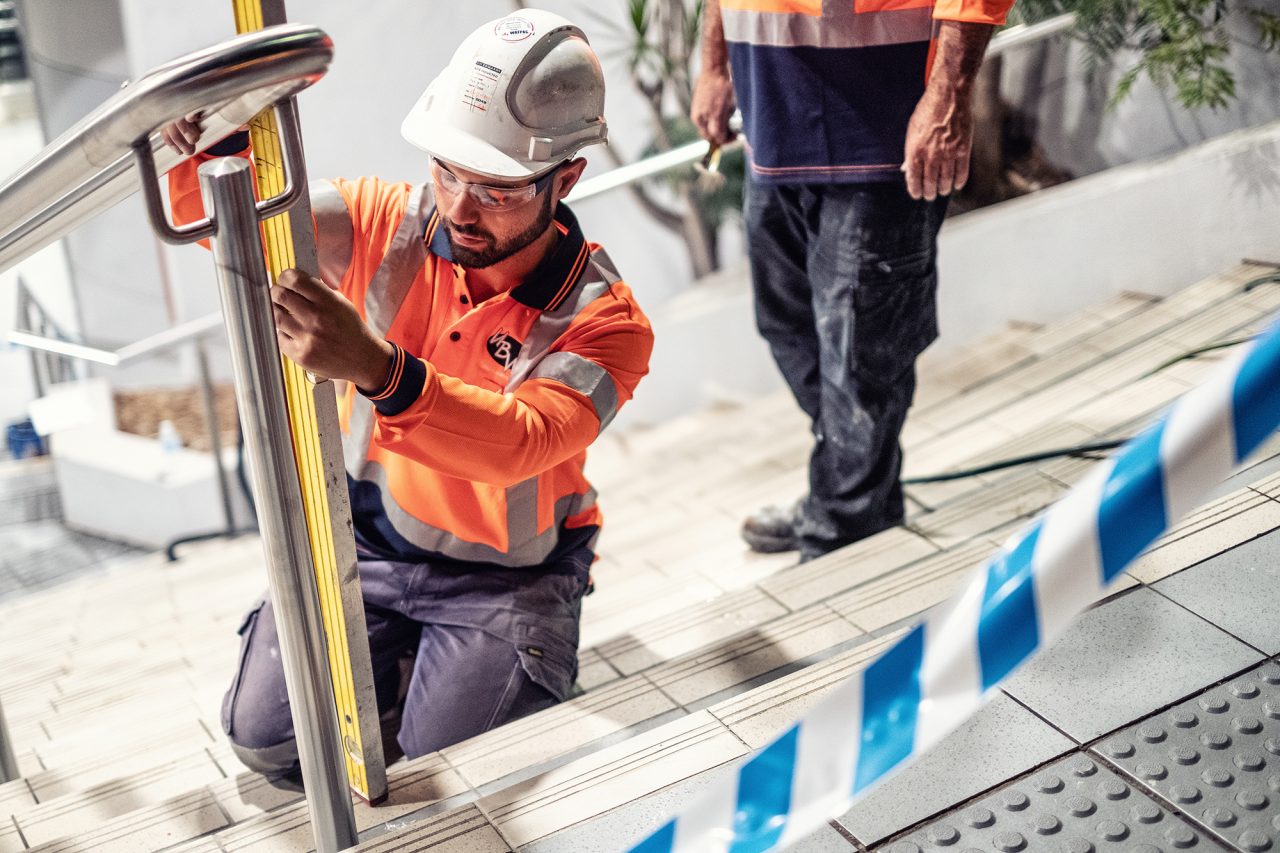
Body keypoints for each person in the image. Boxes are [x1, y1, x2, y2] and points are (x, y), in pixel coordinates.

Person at [163, 9, 653, 776]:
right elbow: (233, 227)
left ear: (567, 179)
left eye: (495, 190)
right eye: (448, 170)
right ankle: (409, 666)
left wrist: (382, 370)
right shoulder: (383, 221)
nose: (459, 207)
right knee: (264, 739)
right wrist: (206, 148)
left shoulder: (606, 324)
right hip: (375, 545)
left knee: (454, 770)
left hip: (507, 580)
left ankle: (463, 672)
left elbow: (519, 443)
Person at [690, 0, 1014, 562]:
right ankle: (852, 494)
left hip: (884, 118)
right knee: (787, 325)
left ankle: (838, 539)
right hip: (773, 115)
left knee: (862, 356)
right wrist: (715, 65)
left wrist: (948, 96)